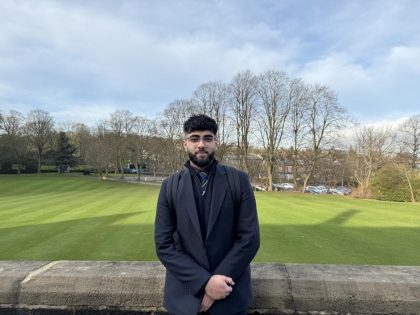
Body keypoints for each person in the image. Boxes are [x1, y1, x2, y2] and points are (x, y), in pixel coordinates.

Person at [155, 114, 260, 315]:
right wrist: (204, 282)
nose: (201, 144)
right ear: (185, 144)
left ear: (216, 142)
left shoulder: (239, 180)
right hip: (184, 300)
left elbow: (249, 239)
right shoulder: (169, 186)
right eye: (194, 138)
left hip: (230, 297)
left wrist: (216, 285)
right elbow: (164, 245)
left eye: (207, 138)